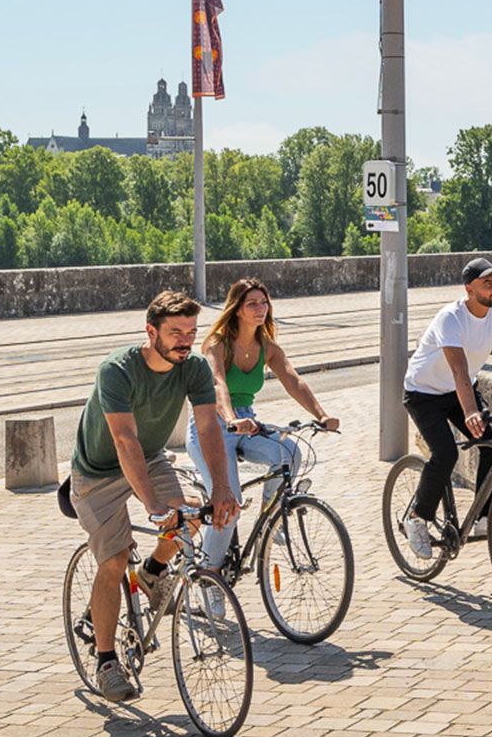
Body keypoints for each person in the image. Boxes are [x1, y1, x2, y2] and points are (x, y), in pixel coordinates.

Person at [69, 289, 237, 703]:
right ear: (151, 332)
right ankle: (107, 661)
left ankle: (151, 572)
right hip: (97, 473)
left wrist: (221, 485)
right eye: (176, 332)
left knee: (191, 519)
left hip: (150, 458)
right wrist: (153, 506)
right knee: (111, 560)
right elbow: (124, 440)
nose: (185, 340)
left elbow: (210, 427)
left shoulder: (193, 368)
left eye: (191, 331)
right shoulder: (118, 370)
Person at [398, 257, 492, 558]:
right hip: (424, 393)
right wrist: (470, 412)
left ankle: (482, 519)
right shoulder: (450, 318)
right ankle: (416, 518)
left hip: (459, 390)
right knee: (445, 454)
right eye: (488, 284)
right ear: (469, 289)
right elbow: (459, 370)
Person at [190, 277, 340, 577]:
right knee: (228, 506)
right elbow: (218, 384)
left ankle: (268, 521)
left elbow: (293, 380)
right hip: (213, 426)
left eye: (264, 302)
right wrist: (231, 420)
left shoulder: (267, 347)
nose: (261, 309)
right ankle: (209, 574)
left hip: (247, 421)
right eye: (252, 304)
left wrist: (322, 415)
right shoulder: (218, 344)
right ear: (237, 309)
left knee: (290, 453)